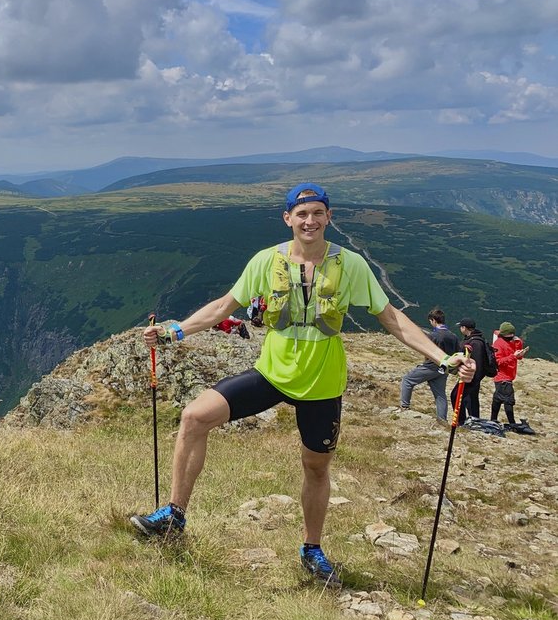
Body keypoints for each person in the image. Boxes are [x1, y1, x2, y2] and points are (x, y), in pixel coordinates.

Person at [129, 183, 474, 587]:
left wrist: (443, 358)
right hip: (272, 374)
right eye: (302, 213)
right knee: (194, 417)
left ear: (329, 218)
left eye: (317, 213)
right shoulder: (265, 261)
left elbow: (391, 318)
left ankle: (312, 548)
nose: (310, 220)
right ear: (288, 218)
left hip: (323, 385)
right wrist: (176, 331)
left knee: (315, 467)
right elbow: (225, 307)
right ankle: (174, 515)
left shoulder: (350, 265)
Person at [399, 308, 461, 421]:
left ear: (433, 320)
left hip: (431, 365)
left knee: (407, 380)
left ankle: (404, 406)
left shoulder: (433, 335)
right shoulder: (453, 336)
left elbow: (426, 350)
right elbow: (457, 352)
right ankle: (442, 419)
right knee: (440, 394)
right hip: (445, 368)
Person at [490, 322, 534, 434]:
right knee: (508, 400)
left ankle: (493, 419)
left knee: (498, 399)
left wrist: (519, 345)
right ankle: (512, 423)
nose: (512, 336)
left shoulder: (511, 341)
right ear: (504, 334)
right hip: (502, 377)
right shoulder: (498, 344)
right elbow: (498, 362)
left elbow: (519, 358)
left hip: (507, 376)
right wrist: (513, 356)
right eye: (510, 334)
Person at [452, 318, 488, 424]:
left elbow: (478, 363)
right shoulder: (475, 340)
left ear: (464, 328)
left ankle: (462, 421)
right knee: (468, 399)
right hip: (470, 376)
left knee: (456, 396)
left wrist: (473, 378)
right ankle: (471, 420)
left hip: (471, 377)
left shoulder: (475, 342)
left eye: (461, 327)